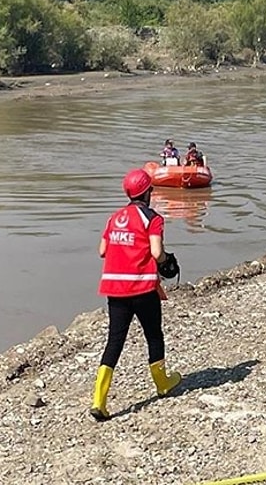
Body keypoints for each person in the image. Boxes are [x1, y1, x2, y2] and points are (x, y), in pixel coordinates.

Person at [91, 169, 181, 421]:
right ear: (147, 192)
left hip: (114, 290)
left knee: (114, 342)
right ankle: (162, 383)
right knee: (154, 335)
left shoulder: (114, 217)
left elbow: (102, 250)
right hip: (142, 288)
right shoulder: (152, 218)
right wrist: (167, 261)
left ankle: (99, 400)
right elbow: (156, 253)